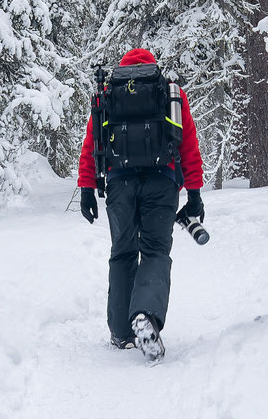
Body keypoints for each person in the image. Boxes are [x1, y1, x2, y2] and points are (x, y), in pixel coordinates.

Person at [77, 47, 204, 360]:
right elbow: (188, 144)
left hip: (119, 183)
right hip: (162, 182)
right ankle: (146, 314)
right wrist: (194, 193)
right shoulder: (170, 93)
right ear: (152, 66)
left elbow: (92, 143)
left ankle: (122, 332)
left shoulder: (108, 93)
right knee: (155, 251)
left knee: (122, 252)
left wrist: (87, 188)